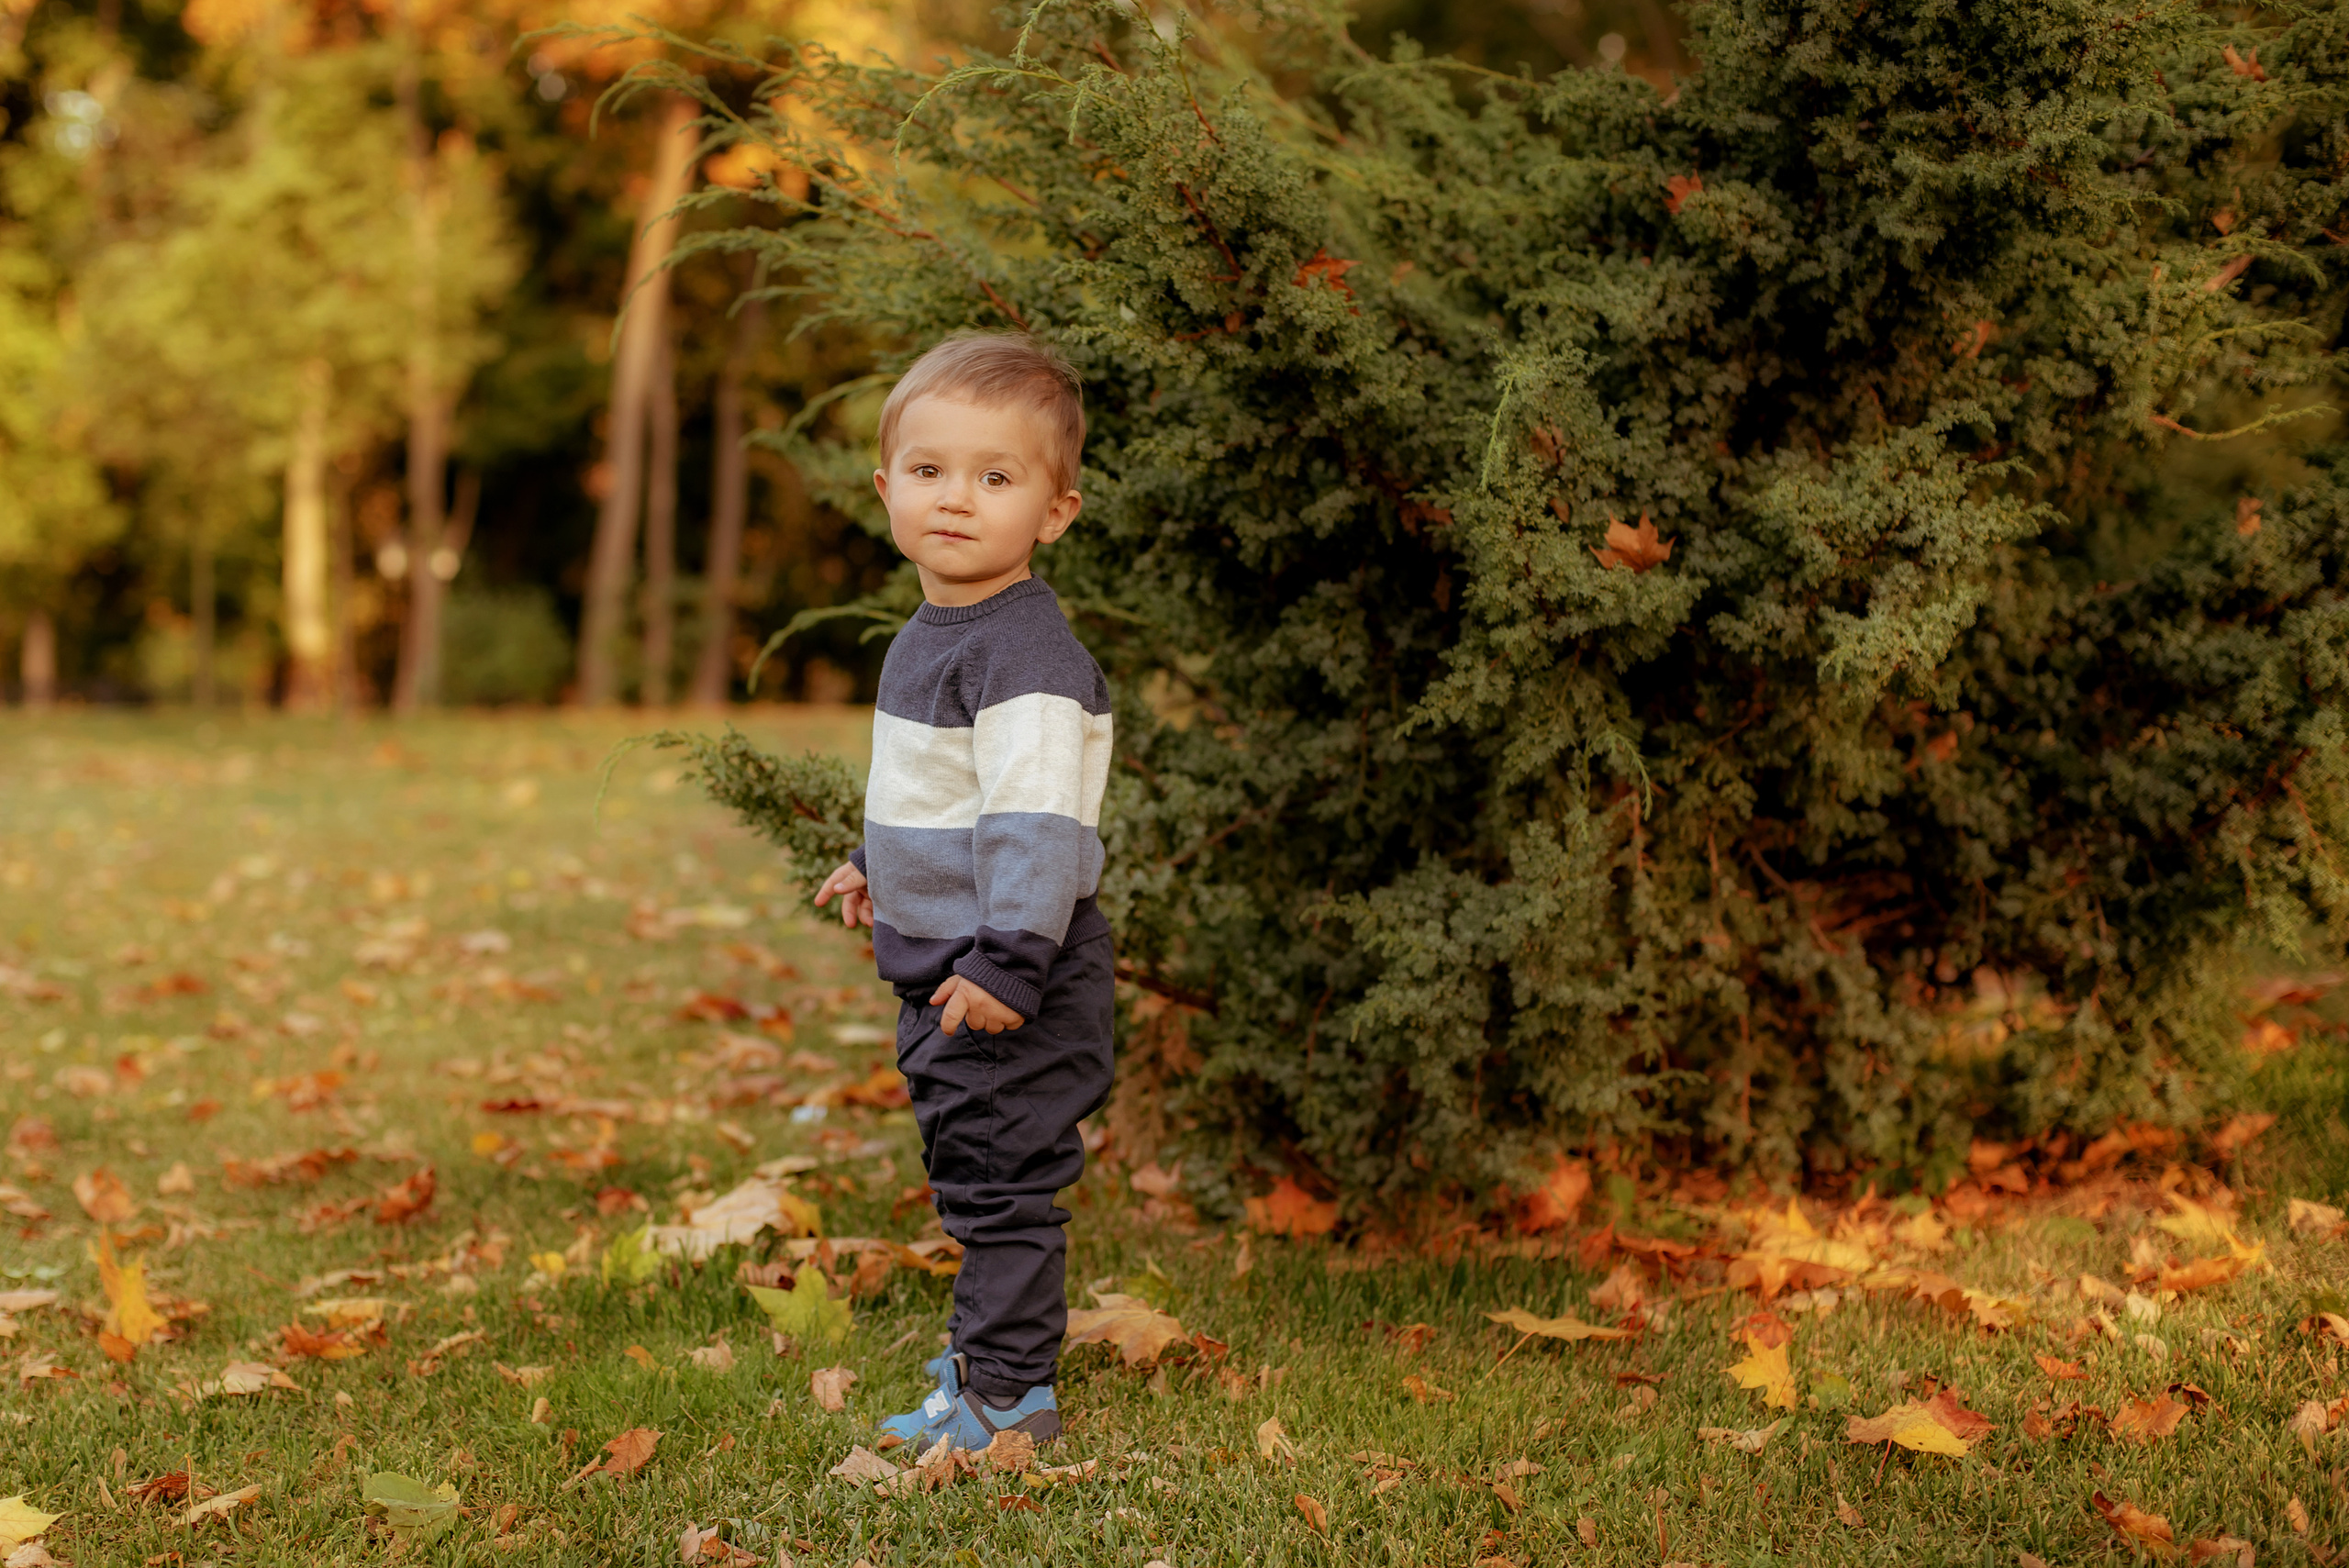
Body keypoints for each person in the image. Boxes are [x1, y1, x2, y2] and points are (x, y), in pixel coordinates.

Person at [813, 330, 1113, 1449]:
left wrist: (1007, 963)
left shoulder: (1021, 650)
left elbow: (1036, 825)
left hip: (1005, 973)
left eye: (996, 477)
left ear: (1054, 511)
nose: (956, 499)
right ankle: (987, 1364)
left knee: (999, 1185)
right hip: (961, 964)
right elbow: (951, 790)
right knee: (972, 1172)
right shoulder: (938, 631)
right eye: (931, 471)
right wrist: (878, 862)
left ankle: (1010, 1395)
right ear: (887, 488)